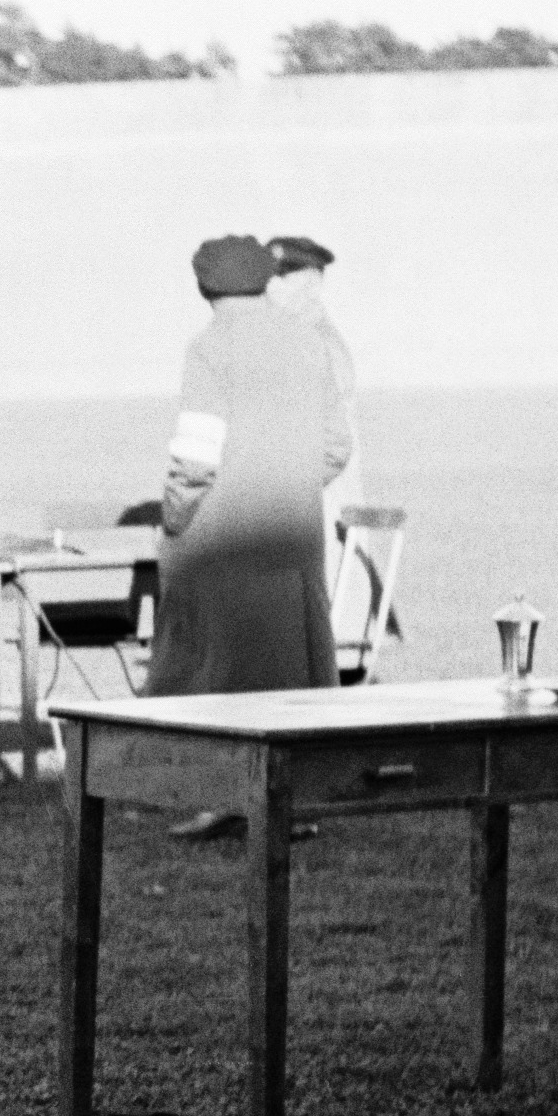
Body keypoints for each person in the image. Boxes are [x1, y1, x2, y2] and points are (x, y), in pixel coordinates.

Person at [150, 234, 354, 839]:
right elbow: (337, 445)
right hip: (294, 535)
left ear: (203, 288)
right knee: (291, 670)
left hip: (222, 538)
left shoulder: (210, 348)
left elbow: (195, 457)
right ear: (268, 280)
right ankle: (294, 805)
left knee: (223, 672)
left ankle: (227, 800)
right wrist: (287, 483)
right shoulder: (308, 342)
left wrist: (176, 517)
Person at [263, 234, 375, 644]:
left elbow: (319, 445)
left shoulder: (311, 343)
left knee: (323, 641)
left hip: (321, 512)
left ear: (310, 283)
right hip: (315, 513)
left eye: (276, 280)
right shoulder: (307, 337)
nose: (266, 289)